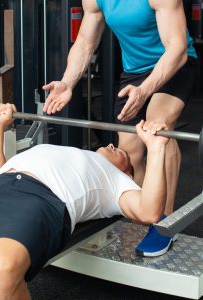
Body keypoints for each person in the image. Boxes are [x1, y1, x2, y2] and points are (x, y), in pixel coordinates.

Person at [0, 103, 169, 300]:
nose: (113, 146)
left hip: (39, 199)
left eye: (121, 153)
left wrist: (155, 149)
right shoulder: (66, 151)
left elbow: (149, 211)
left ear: (127, 173)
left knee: (1, 267)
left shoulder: (115, 181)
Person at [42, 0, 197, 257]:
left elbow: (177, 48)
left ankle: (164, 223)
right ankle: (143, 210)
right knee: (129, 151)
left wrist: (145, 90)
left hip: (175, 65)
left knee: (159, 127)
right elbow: (84, 43)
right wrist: (68, 82)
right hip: (134, 72)